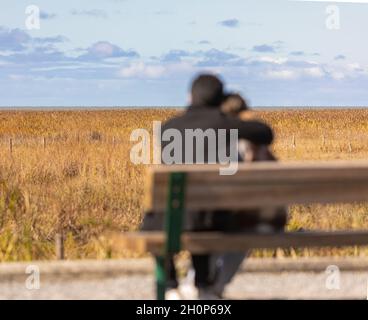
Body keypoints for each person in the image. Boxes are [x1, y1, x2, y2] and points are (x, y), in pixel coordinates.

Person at [142, 74, 275, 299]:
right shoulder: (225, 125)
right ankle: (203, 285)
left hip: (170, 221)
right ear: (219, 98)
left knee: (160, 221)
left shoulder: (167, 128)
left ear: (189, 96)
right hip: (211, 219)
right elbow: (265, 133)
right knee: (204, 215)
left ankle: (170, 286)